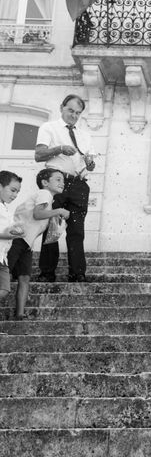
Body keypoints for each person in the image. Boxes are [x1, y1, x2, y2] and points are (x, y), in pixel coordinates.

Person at [35, 94, 96, 283]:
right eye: (70, 110)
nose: (74, 115)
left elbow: (91, 165)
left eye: (78, 113)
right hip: (56, 180)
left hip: (78, 183)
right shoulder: (49, 127)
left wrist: (90, 162)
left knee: (77, 230)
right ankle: (47, 273)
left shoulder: (86, 135)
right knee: (52, 226)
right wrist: (60, 148)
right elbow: (38, 155)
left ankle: (77, 273)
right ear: (61, 107)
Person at [8, 169, 69, 319]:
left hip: (26, 244)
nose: (62, 183)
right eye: (58, 179)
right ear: (45, 183)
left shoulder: (47, 200)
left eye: (63, 180)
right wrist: (58, 211)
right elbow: (37, 214)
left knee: (24, 277)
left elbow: (38, 220)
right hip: (16, 240)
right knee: (6, 274)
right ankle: (19, 314)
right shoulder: (44, 194)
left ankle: (20, 314)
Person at [0, 171, 26, 313]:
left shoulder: (4, 208)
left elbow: (7, 230)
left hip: (2, 257)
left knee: (4, 289)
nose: (15, 195)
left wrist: (17, 230)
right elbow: (4, 234)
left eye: (18, 192)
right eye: (12, 190)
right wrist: (8, 235)